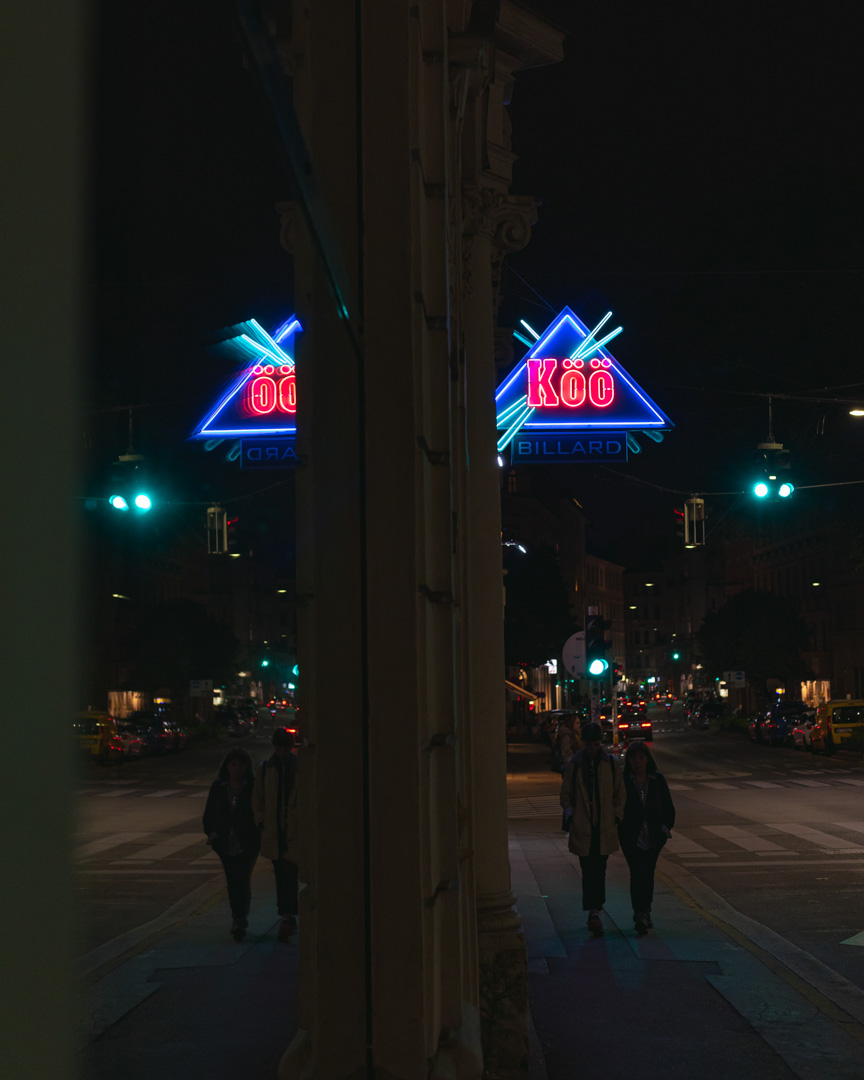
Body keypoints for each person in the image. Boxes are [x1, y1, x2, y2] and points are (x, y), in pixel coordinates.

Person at [559, 721, 625, 937]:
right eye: (589, 745)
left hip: (604, 825)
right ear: (584, 744)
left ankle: (595, 909)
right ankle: (594, 911)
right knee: (589, 870)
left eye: (596, 745)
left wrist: (616, 815)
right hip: (584, 825)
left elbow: (620, 794)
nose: (593, 749)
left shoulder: (611, 764)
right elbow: (566, 795)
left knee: (600, 869)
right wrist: (571, 815)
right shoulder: (575, 765)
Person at [618, 739, 675, 935]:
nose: (637, 762)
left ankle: (646, 910)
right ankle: (640, 912)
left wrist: (664, 828)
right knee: (637, 871)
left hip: (653, 836)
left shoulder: (656, 780)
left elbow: (668, 808)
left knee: (648, 872)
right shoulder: (625, 781)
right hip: (631, 836)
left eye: (641, 758)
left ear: (647, 759)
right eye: (633, 758)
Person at [203, 747, 260, 941]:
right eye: (233, 764)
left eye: (241, 765)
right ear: (227, 766)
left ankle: (240, 919)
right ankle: (237, 916)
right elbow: (209, 814)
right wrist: (213, 834)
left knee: (242, 878)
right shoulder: (219, 787)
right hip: (226, 842)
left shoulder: (252, 786)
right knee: (232, 880)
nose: (237, 769)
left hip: (247, 842)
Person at [253, 726, 299, 942]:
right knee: (283, 875)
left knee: (292, 873)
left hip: (294, 831)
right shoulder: (265, 769)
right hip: (276, 832)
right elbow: (258, 799)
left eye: (285, 749)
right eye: (279, 749)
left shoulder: (298, 767)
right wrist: (262, 821)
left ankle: (289, 915)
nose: (282, 753)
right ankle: (287, 915)